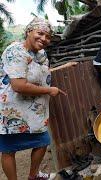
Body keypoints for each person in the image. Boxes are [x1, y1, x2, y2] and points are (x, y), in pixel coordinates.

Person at [0, 18, 66, 180]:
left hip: (35, 110)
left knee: (42, 141)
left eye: (48, 36)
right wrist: (50, 90)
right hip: (13, 110)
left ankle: (33, 175)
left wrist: (63, 67)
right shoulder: (15, 51)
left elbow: (41, 72)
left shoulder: (40, 54)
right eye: (40, 33)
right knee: (9, 149)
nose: (44, 39)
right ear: (29, 32)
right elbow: (18, 85)